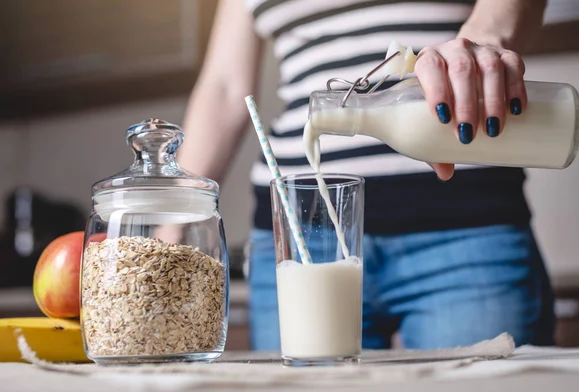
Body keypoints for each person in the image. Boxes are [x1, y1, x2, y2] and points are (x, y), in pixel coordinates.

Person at [178, 0, 555, 350]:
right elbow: (224, 87)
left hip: (464, 222)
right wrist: (171, 222)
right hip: (300, 239)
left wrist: (479, 46)